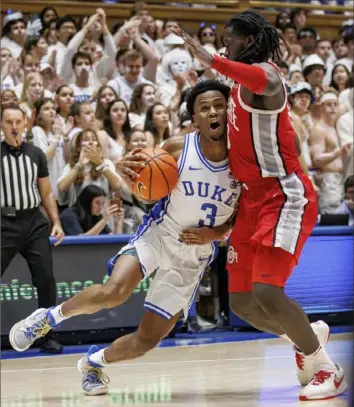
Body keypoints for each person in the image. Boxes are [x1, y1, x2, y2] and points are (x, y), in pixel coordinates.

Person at [8, 80, 240, 395]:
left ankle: (93, 362)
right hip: (160, 232)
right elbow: (142, 186)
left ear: (230, 112)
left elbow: (242, 212)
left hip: (193, 257)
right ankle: (49, 317)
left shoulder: (245, 160)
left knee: (146, 341)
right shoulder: (177, 147)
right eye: (204, 107)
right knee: (114, 291)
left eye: (218, 105)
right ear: (194, 119)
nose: (213, 111)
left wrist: (216, 232)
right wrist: (124, 171)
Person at [171, 10, 347, 401]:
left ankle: (328, 369)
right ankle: (307, 335)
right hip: (252, 200)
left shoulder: (265, 78)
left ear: (247, 42)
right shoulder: (236, 92)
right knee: (244, 303)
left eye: (229, 40)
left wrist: (211, 60)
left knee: (268, 291)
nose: (223, 46)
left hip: (283, 196)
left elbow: (265, 79)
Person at [1, 105, 64, 353]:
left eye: (18, 121)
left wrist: (56, 222)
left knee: (46, 279)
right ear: (2, 125)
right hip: (4, 224)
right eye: (9, 122)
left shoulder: (36, 154)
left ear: (25, 123)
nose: (14, 126)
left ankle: (46, 335)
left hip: (33, 223)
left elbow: (46, 192)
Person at [310, 89, 352, 214]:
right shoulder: (319, 129)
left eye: (335, 104)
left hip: (341, 179)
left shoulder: (335, 127)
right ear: (322, 107)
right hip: (328, 180)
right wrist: (338, 153)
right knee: (331, 215)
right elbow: (317, 159)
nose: (333, 108)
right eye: (329, 104)